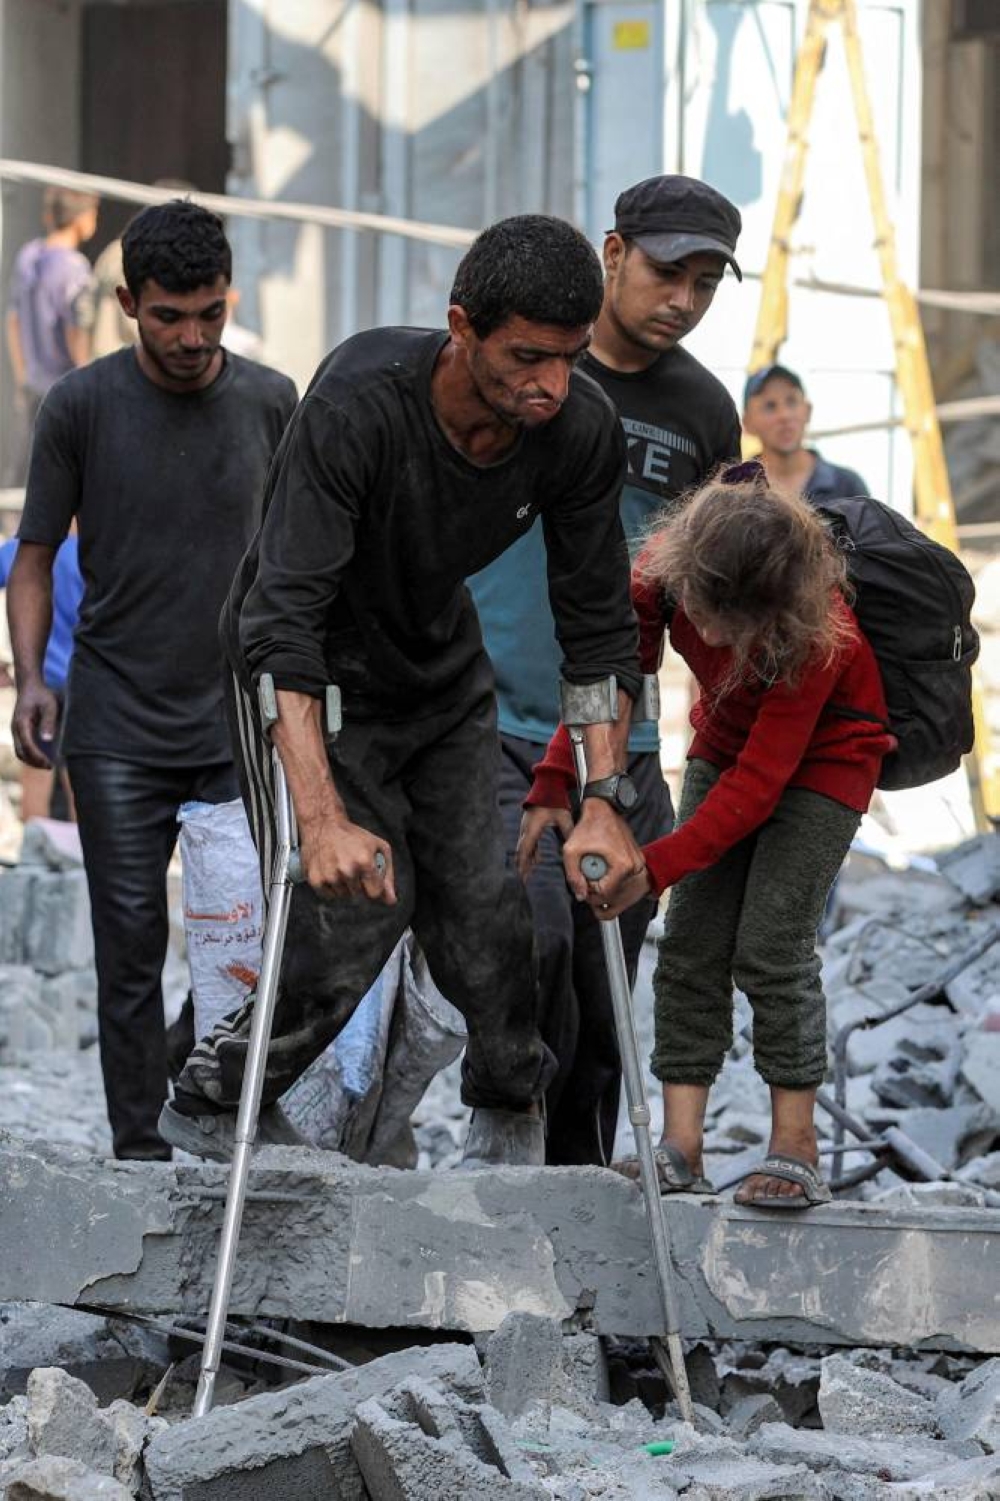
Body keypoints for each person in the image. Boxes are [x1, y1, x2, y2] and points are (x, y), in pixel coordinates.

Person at [160, 214, 648, 1168]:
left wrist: (603, 799)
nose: (550, 384)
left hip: (438, 673)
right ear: (461, 326)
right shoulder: (360, 400)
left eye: (570, 358)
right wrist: (323, 817)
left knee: (488, 914)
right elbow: (281, 623)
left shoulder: (577, 429)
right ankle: (218, 1096)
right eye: (527, 357)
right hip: (308, 678)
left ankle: (511, 1112)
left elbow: (597, 630)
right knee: (356, 912)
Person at [8, 200, 298, 1161]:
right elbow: (36, 555)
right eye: (169, 315)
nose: (191, 337)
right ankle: (139, 1148)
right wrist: (31, 681)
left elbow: (305, 558)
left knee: (245, 947)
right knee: (129, 942)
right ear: (129, 301)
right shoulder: (82, 406)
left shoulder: (270, 401)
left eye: (209, 313)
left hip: (238, 730)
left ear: (231, 299)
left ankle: (201, 1087)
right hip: (116, 724)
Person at [520, 466, 894, 1207]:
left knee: (772, 944)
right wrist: (557, 778)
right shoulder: (660, 575)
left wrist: (651, 865)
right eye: (707, 611)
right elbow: (613, 678)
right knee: (690, 938)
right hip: (726, 735)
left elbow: (757, 789)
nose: (715, 634)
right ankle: (679, 1144)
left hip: (829, 759)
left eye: (736, 623)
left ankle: (796, 1144)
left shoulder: (822, 634)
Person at [468, 174, 743, 1166]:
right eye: (669, 271)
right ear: (614, 252)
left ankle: (573, 1220)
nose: (683, 298)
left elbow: (713, 591)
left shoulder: (705, 410)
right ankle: (503, 1153)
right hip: (494, 720)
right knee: (532, 941)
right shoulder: (531, 368)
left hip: (620, 743)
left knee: (601, 989)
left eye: (706, 282)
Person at [4, 188, 100, 485]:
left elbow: (13, 321)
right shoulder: (76, 269)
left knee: (28, 472)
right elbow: (75, 332)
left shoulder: (28, 256)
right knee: (67, 477)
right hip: (64, 387)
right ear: (83, 219)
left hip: (34, 384)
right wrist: (90, 378)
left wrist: (22, 376)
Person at [0, 533, 82, 820]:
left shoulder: (18, 551)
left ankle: (34, 853)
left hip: (36, 681)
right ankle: (80, 858)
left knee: (36, 767)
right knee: (82, 777)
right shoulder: (89, 553)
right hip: (83, 681)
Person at [742, 363, 870, 503]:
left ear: (808, 411)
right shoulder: (737, 491)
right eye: (770, 406)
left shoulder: (848, 488)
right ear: (747, 423)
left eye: (791, 402)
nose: (784, 415)